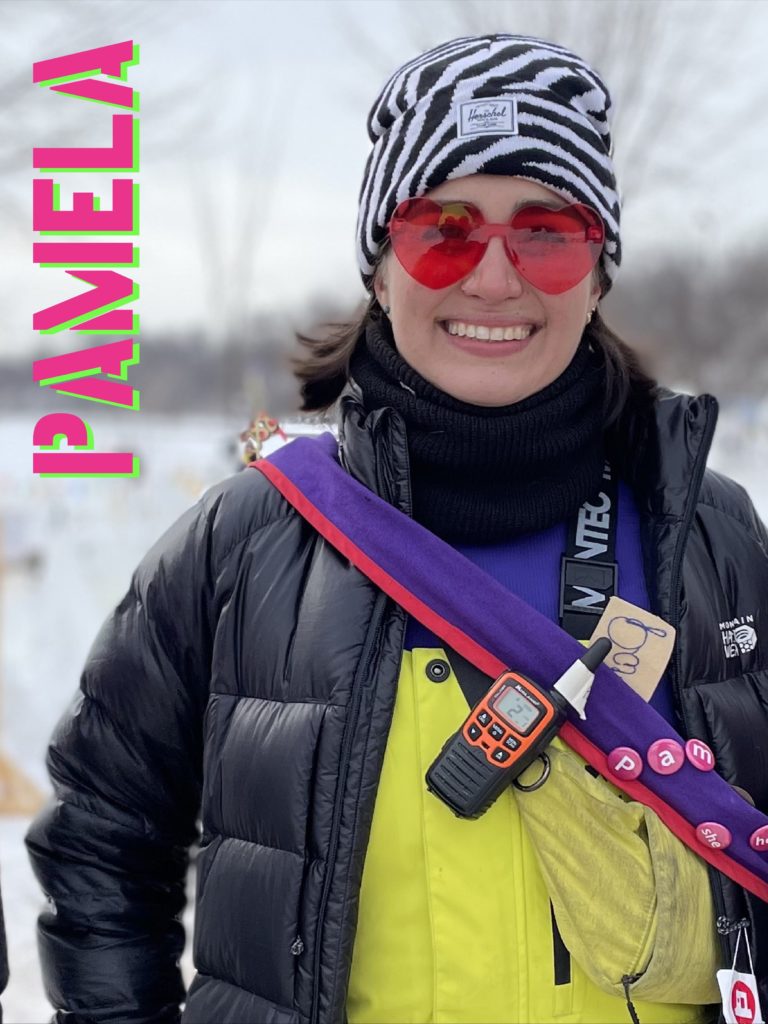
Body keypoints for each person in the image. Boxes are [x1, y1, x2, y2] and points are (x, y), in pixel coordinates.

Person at [24, 32, 768, 1024]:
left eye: (546, 232)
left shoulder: (712, 535)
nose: (495, 279)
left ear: (599, 273)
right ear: (381, 269)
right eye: (443, 231)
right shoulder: (246, 541)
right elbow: (101, 843)